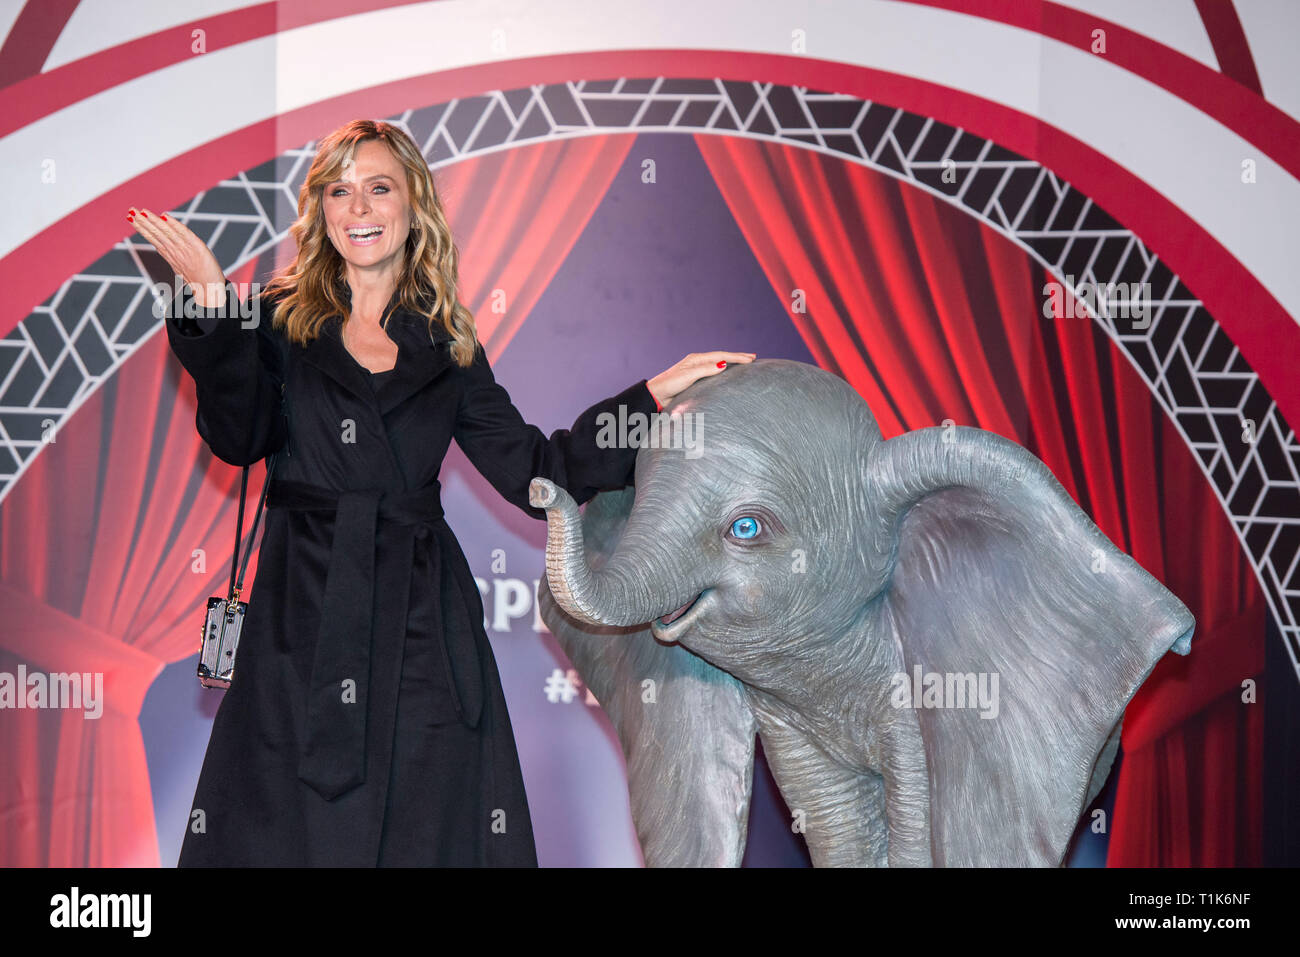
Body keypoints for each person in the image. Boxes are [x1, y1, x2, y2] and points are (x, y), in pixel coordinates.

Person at [131, 118, 753, 866]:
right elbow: (239, 435)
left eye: (379, 188)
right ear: (322, 212)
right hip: (299, 616)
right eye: (340, 190)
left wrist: (648, 398)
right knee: (282, 831)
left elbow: (539, 469)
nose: (359, 207)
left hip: (422, 628)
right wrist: (208, 307)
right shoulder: (274, 320)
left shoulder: (450, 343)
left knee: (425, 832)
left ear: (412, 206)